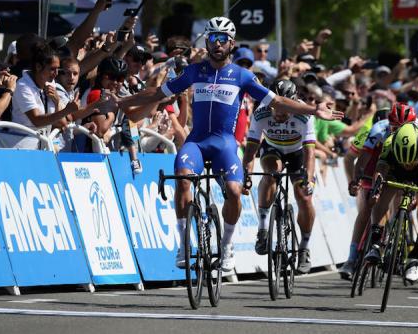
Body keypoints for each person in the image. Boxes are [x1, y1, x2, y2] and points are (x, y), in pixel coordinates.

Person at [115, 16, 343, 273]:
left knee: (234, 192)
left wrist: (313, 109)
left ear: (231, 44)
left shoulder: (242, 76)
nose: (217, 44)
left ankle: (227, 246)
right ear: (208, 41)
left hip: (225, 144)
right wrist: (122, 102)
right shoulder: (194, 71)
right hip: (197, 142)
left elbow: (277, 102)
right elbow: (158, 94)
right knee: (181, 177)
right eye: (213, 38)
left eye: (223, 40)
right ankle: (183, 245)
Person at [242, 79, 317, 274]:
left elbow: (310, 153)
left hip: (298, 153)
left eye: (285, 110)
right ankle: (263, 228)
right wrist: (246, 175)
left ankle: (304, 248)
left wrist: (308, 179)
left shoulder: (305, 115)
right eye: (277, 110)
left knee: (304, 196)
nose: (280, 115)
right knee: (270, 174)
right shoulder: (261, 113)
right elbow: (250, 150)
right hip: (273, 149)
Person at [339, 103, 417, 280]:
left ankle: (399, 242)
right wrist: (354, 180)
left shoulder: (417, 133)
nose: (396, 130)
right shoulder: (376, 130)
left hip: (402, 167)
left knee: (400, 200)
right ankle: (352, 258)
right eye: (394, 126)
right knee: (367, 208)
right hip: (375, 167)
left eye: (400, 127)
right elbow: (357, 159)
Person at [364, 123, 418, 283]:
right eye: (405, 163)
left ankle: (415, 256)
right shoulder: (389, 143)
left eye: (410, 162)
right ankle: (376, 244)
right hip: (395, 168)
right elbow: (380, 171)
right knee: (381, 194)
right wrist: (375, 191)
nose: (408, 166)